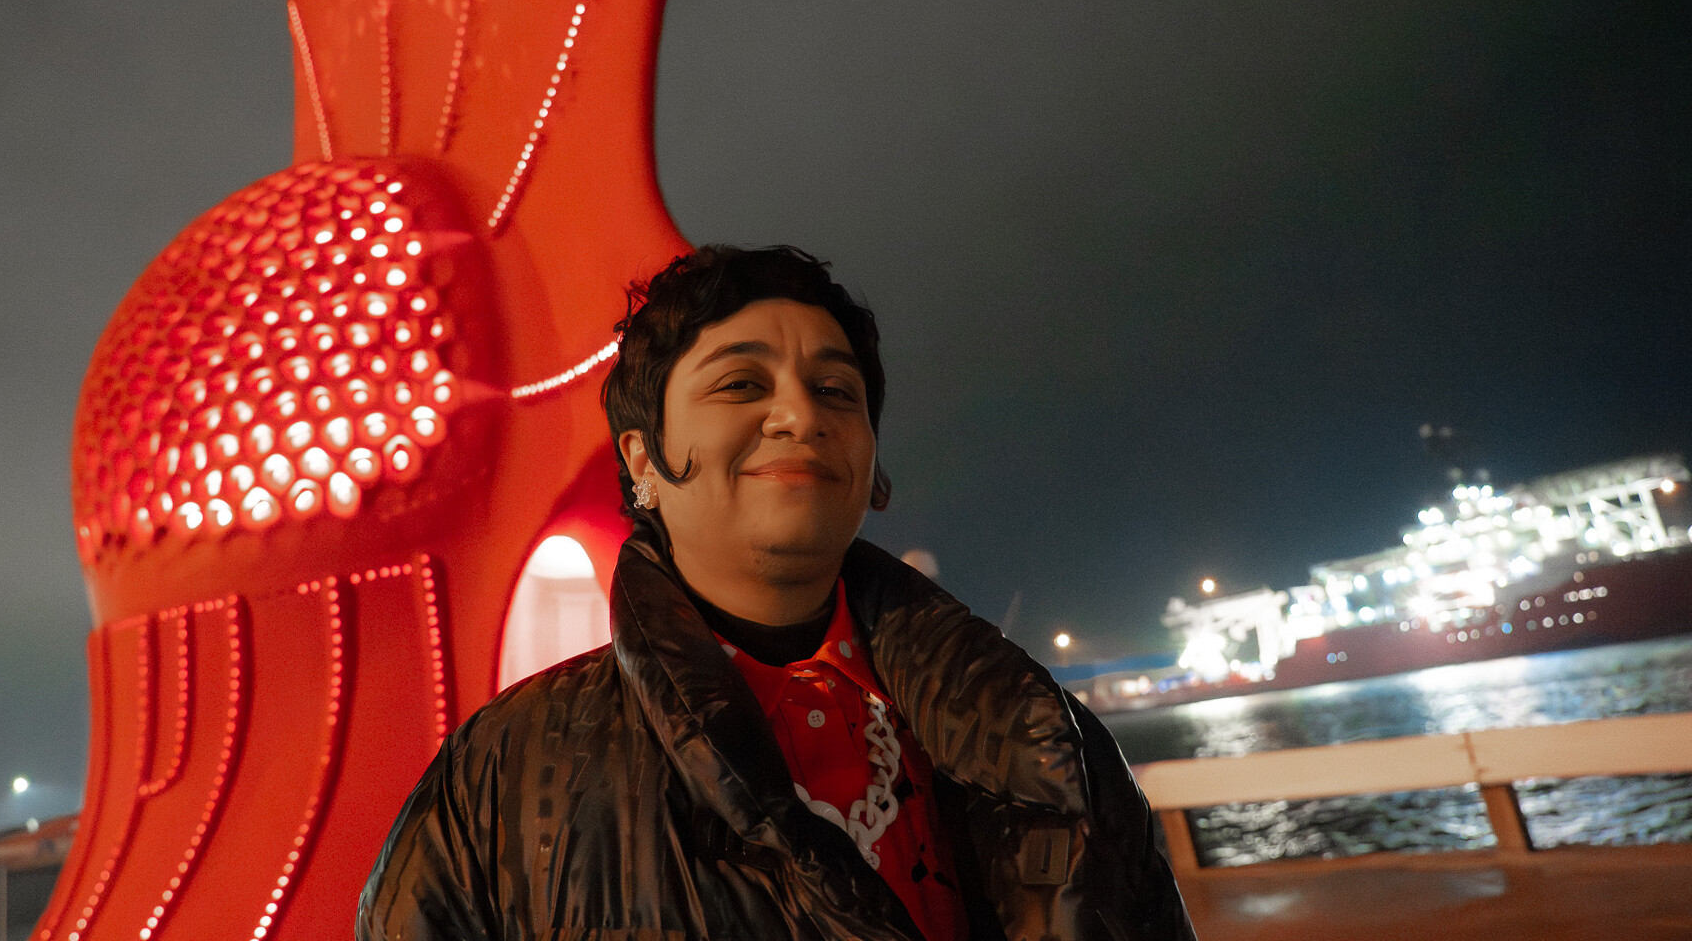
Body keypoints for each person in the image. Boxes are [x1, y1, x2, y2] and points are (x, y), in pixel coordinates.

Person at [359, 245, 1197, 941]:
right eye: (740, 384)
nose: (800, 415)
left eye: (837, 391)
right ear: (642, 459)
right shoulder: (499, 779)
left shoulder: (1044, 740)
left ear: (872, 467)